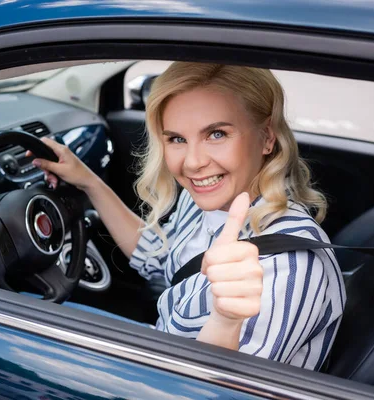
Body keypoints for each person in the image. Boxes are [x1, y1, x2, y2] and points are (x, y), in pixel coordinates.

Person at [30, 62, 346, 371]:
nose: (192, 163)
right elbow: (156, 255)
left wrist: (225, 320)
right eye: (177, 139)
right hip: (162, 350)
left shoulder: (290, 266)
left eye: (217, 134)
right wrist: (88, 180)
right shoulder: (205, 201)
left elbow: (220, 393)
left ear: (267, 138)